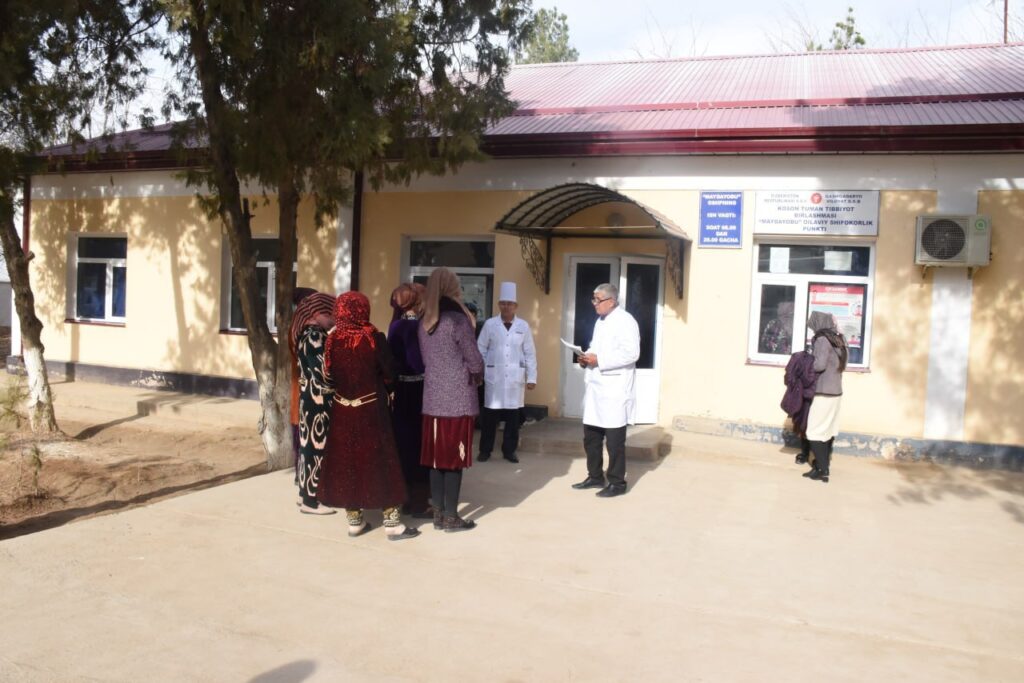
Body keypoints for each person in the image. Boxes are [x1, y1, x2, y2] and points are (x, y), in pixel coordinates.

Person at [317, 291, 420, 540]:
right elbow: (390, 373)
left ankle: (355, 522)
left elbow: (327, 378)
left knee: (348, 463)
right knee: (382, 462)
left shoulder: (332, 340)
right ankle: (392, 524)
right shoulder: (373, 337)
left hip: (342, 411)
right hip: (371, 410)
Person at [418, 267, 484, 532]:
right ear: (452, 287)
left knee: (436, 460)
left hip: (433, 398)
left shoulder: (425, 322)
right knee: (454, 460)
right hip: (457, 399)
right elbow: (474, 360)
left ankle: (438, 513)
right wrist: (477, 374)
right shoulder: (457, 320)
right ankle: (451, 516)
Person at [572, 283, 640, 498]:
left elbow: (632, 353)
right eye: (593, 299)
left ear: (611, 301)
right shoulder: (600, 321)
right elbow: (595, 347)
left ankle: (617, 482)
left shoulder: (626, 321)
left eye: (598, 300)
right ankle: (595, 476)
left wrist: (600, 360)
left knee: (614, 442)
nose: (594, 304)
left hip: (614, 390)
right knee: (591, 438)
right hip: (596, 389)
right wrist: (585, 357)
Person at [476, 281, 537, 463]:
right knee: (490, 417)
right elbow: (480, 348)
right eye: (503, 303)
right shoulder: (490, 324)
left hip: (515, 380)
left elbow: (530, 353)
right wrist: (485, 368)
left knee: (513, 418)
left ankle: (509, 451)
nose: (506, 307)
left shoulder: (523, 326)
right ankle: (485, 450)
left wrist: (531, 377)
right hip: (494, 378)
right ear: (499, 305)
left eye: (510, 304)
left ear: (515, 306)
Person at [291, 291, 338, 515]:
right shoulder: (315, 336)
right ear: (318, 313)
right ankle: (311, 501)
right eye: (331, 314)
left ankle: (305, 495)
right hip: (318, 402)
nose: (334, 319)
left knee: (308, 447)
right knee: (316, 448)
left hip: (308, 398)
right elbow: (324, 373)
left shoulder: (307, 333)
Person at [387, 283, 431, 517]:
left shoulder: (395, 324)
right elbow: (416, 361)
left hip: (401, 389)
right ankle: (419, 502)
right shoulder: (414, 327)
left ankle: (403, 496)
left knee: (403, 445)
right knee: (418, 445)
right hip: (417, 390)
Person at [801, 311, 847, 484]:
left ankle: (822, 470)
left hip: (823, 392)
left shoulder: (822, 339)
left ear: (818, 323)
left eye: (813, 325)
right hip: (836, 391)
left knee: (813, 431)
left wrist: (805, 363)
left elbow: (819, 365)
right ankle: (822, 466)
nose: (812, 329)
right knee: (827, 431)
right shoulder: (839, 338)